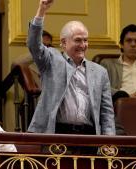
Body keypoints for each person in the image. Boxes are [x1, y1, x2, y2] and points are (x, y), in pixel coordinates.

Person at [27, 0, 115, 137]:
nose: (83, 45)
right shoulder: (51, 60)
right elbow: (34, 44)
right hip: (58, 134)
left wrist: (110, 141)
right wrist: (41, 11)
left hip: (89, 137)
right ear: (63, 42)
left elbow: (106, 112)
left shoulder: (100, 72)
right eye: (78, 40)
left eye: (85, 40)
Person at [100, 24, 136, 103]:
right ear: (121, 44)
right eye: (128, 40)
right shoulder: (107, 64)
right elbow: (101, 86)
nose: (133, 44)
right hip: (120, 106)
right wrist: (125, 96)